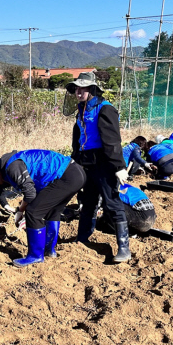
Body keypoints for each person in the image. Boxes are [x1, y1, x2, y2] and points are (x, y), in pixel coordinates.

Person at [0, 149, 86, 266]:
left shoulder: (12, 168)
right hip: (75, 173)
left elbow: (30, 193)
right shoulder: (11, 163)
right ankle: (49, 251)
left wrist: (20, 211)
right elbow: (36, 189)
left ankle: (35, 256)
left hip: (67, 176)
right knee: (53, 211)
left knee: (33, 213)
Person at [67, 72, 131, 263]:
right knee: (88, 201)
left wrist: (118, 166)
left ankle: (124, 248)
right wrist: (74, 158)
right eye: (76, 89)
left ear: (92, 89)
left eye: (82, 89)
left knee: (112, 202)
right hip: (86, 162)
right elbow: (77, 138)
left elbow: (112, 140)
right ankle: (83, 237)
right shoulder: (82, 110)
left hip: (103, 163)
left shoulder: (105, 109)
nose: (78, 92)